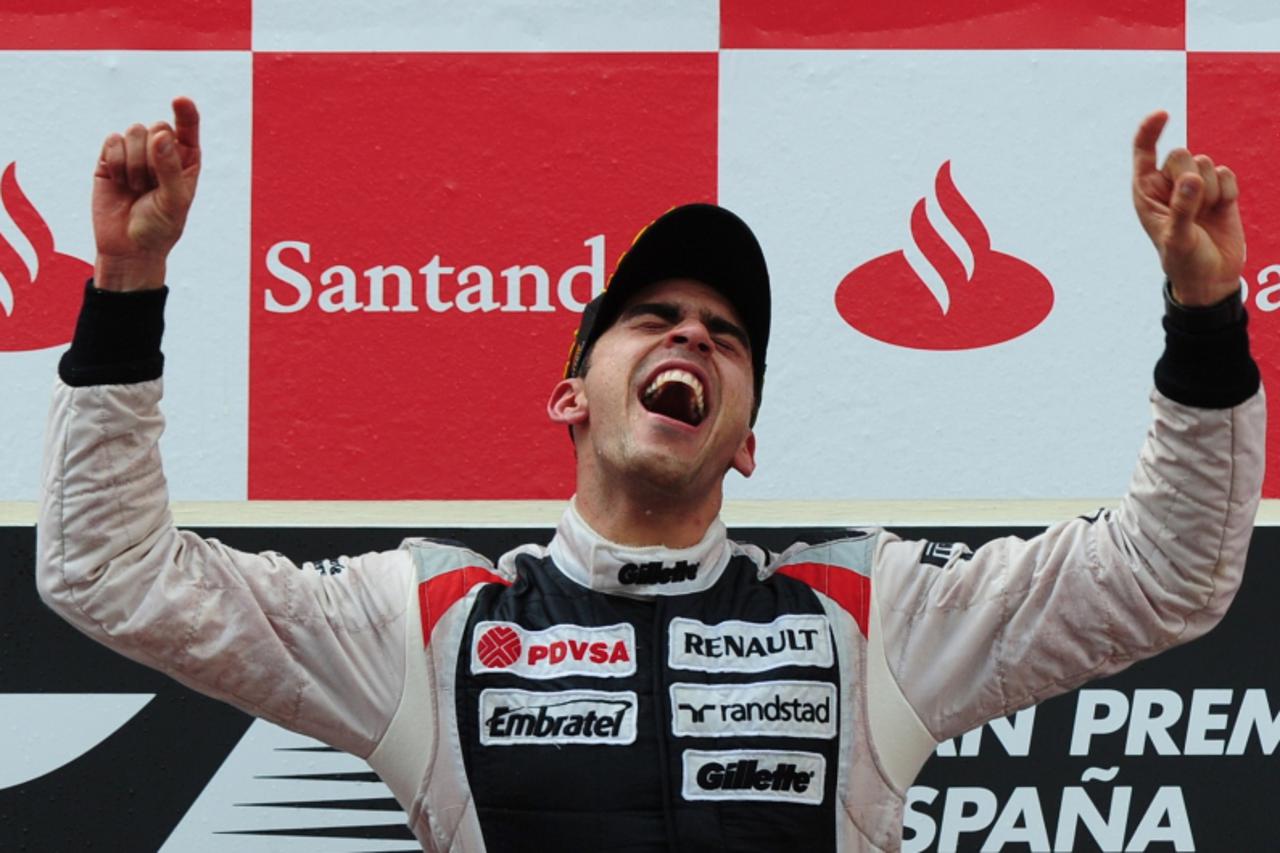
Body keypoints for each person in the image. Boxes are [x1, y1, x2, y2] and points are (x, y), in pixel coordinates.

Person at [37, 97, 1263, 853]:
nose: (691, 338)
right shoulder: (428, 623)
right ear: (571, 393)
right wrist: (124, 292)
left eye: (725, 337)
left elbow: (1165, 575)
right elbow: (108, 573)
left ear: (743, 436)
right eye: (653, 318)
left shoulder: (862, 612)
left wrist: (1204, 314)